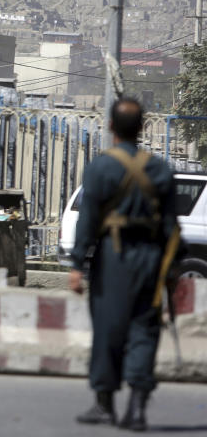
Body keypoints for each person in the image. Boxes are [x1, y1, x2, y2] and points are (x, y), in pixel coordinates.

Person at [69, 98, 183, 430]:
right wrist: (172, 269)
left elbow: (87, 221)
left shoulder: (101, 167)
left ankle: (105, 404)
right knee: (144, 330)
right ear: (143, 128)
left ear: (110, 127)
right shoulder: (160, 169)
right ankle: (137, 407)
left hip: (113, 258)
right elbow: (171, 227)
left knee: (108, 328)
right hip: (150, 259)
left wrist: (77, 264)